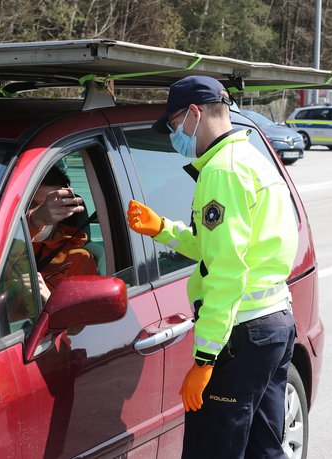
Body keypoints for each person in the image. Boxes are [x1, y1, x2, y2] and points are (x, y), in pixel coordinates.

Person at [127, 76, 298, 459]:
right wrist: (162, 229)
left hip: (241, 334)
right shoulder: (251, 157)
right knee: (264, 449)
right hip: (275, 323)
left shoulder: (221, 171)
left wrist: (205, 359)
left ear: (193, 113)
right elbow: (218, 246)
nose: (174, 138)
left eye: (173, 127)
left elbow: (226, 272)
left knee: (213, 449)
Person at [28, 165, 98, 302]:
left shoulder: (78, 258)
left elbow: (79, 319)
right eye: (32, 204)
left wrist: (48, 301)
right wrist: (33, 221)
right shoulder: (3, 245)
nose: (44, 213)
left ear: (64, 210)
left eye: (50, 206)